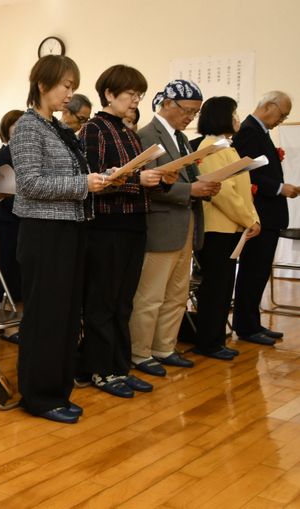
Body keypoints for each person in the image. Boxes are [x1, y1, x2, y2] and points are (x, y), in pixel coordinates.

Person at [11, 55, 106, 424]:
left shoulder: (57, 128)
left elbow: (71, 176)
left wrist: (98, 177)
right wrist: (84, 184)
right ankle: (38, 395)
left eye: (72, 86)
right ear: (42, 85)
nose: (70, 93)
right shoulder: (27, 127)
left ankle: (58, 390)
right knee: (45, 317)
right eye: (65, 85)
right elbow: (31, 184)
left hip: (69, 227)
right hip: (43, 231)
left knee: (67, 315)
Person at [78, 65, 160, 398]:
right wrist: (135, 179)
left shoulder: (129, 132)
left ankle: (120, 367)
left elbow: (131, 176)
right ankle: (100, 369)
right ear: (109, 94)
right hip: (106, 225)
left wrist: (156, 178)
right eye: (130, 94)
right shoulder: (94, 128)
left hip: (134, 222)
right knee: (103, 302)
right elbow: (93, 180)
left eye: (139, 95)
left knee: (124, 302)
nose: (135, 100)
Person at [130, 80, 221, 366]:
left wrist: (203, 186)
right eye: (187, 110)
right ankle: (140, 352)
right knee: (150, 296)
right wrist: (189, 190)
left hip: (186, 223)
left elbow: (184, 178)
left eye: (195, 113)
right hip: (161, 225)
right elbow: (148, 184)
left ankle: (164, 347)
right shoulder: (146, 135)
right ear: (167, 103)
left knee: (177, 293)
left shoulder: (181, 138)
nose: (190, 117)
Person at [194, 97, 261, 358]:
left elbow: (243, 192)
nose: (238, 118)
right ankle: (208, 342)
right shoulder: (210, 148)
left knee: (224, 287)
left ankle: (216, 339)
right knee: (214, 288)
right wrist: (249, 219)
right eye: (234, 113)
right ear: (222, 116)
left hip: (231, 227)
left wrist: (252, 217)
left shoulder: (226, 147)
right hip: (216, 229)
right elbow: (223, 193)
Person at [231, 91, 297, 346]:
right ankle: (246, 326)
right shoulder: (249, 131)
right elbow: (247, 174)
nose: (283, 119)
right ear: (269, 106)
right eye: (283, 114)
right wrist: (280, 188)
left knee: (259, 273)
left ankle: (253, 323)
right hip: (259, 213)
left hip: (268, 214)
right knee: (252, 271)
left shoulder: (259, 132)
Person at [0, 109, 24, 311]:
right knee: (9, 264)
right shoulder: (1, 155)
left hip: (28, 216)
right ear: (6, 128)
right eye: (15, 124)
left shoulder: (32, 153)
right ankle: (8, 308)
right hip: (9, 217)